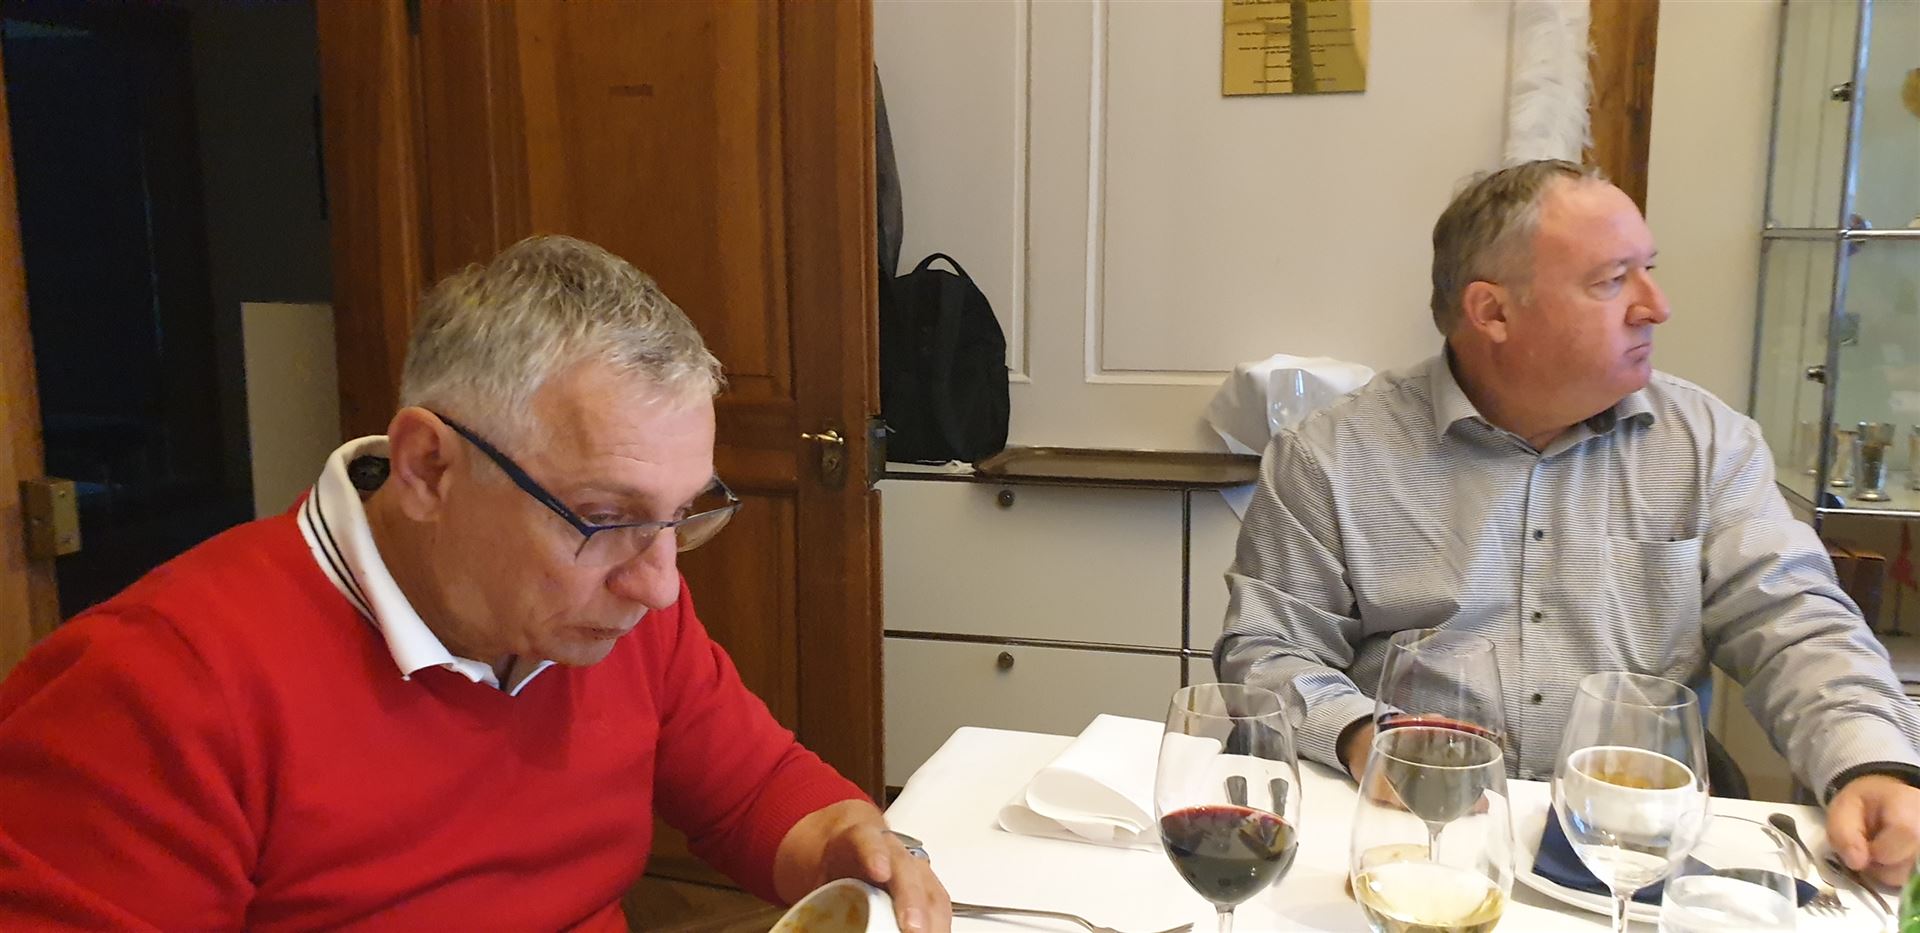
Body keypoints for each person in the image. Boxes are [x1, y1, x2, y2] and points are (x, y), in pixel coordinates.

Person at [0, 236, 952, 931]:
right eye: (605, 515)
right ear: (427, 467)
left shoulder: (617, 604)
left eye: (679, 514)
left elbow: (753, 790)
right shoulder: (153, 690)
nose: (659, 584)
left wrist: (847, 838)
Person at [1216, 159, 1920, 885]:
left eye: (1648, 270)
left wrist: (1873, 762)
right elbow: (1269, 650)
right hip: (1416, 838)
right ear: (1492, 312)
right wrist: (1364, 735)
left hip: (1632, 847)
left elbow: (1798, 626)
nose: (1656, 306)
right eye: (1612, 281)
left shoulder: (1708, 444)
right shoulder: (1332, 457)